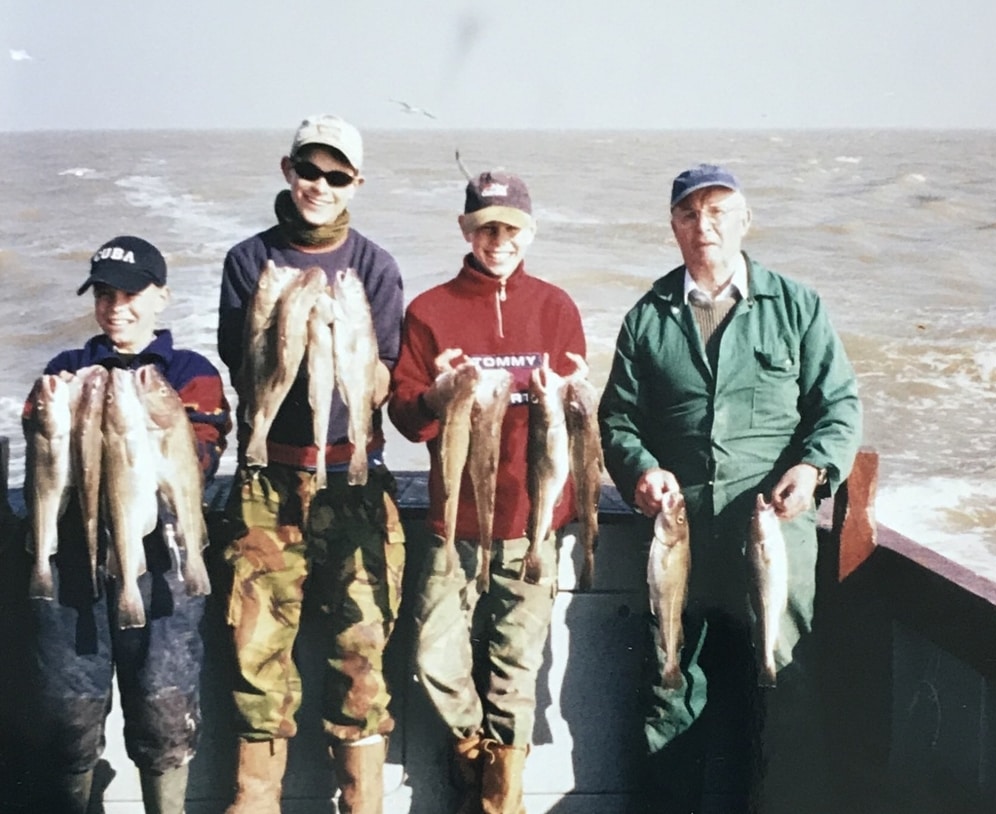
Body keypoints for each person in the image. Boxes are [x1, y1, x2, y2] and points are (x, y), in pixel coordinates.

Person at [598, 164, 863, 814]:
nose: (703, 225)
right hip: (681, 537)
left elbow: (840, 405)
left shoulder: (797, 307)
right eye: (689, 214)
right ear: (673, 227)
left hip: (773, 537)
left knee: (784, 689)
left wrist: (814, 468)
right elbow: (618, 419)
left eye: (718, 211)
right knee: (671, 688)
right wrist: (640, 471)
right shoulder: (647, 319)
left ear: (745, 221)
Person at [216, 114, 406, 814]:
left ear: (357, 182)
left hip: (353, 481)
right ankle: (253, 803)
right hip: (269, 482)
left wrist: (342, 341)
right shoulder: (248, 262)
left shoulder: (376, 268)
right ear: (286, 169)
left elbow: (384, 376)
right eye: (308, 170)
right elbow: (243, 371)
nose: (319, 186)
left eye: (336, 175)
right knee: (257, 657)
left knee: (361, 656)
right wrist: (289, 325)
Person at [387, 169, 587, 813]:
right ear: (466, 230)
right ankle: (475, 751)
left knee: (517, 667)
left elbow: (579, 421)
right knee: (431, 655)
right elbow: (406, 416)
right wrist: (438, 395)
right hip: (456, 524)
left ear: (530, 232)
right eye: (487, 228)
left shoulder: (555, 308)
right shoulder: (429, 311)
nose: (499, 241)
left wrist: (578, 394)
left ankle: (503, 797)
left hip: (532, 524)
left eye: (512, 229)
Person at [25, 235, 231, 814]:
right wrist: (49, 405)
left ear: (161, 296)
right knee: (70, 716)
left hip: (160, 571)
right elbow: (43, 453)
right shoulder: (66, 369)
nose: (117, 306)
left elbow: (206, 453)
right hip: (75, 572)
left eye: (132, 293)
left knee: (164, 715)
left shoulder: (189, 374)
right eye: (105, 295)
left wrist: (143, 417)